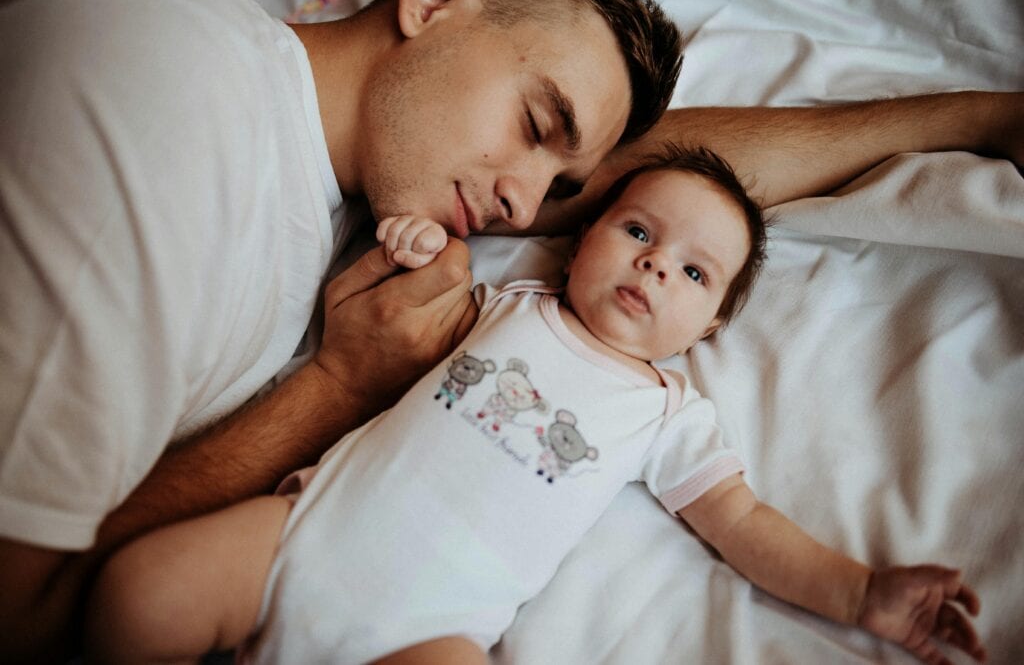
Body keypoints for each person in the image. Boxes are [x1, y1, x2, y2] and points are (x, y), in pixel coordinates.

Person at [0, 0, 1019, 660]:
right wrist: (341, 387)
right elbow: (25, 618)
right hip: (284, 544)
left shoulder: (372, 171)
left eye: (562, 181)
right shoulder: (157, 110)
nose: (527, 211)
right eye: (537, 126)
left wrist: (971, 121)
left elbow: (673, 192)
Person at [86, 147, 986, 665]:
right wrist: (419, 241)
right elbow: (420, 305)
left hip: (433, 630)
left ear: (708, 323)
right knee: (133, 596)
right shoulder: (510, 304)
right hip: (302, 534)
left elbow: (744, 523)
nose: (655, 263)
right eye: (638, 230)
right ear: (584, 237)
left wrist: (861, 590)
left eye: (695, 271)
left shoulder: (668, 411)